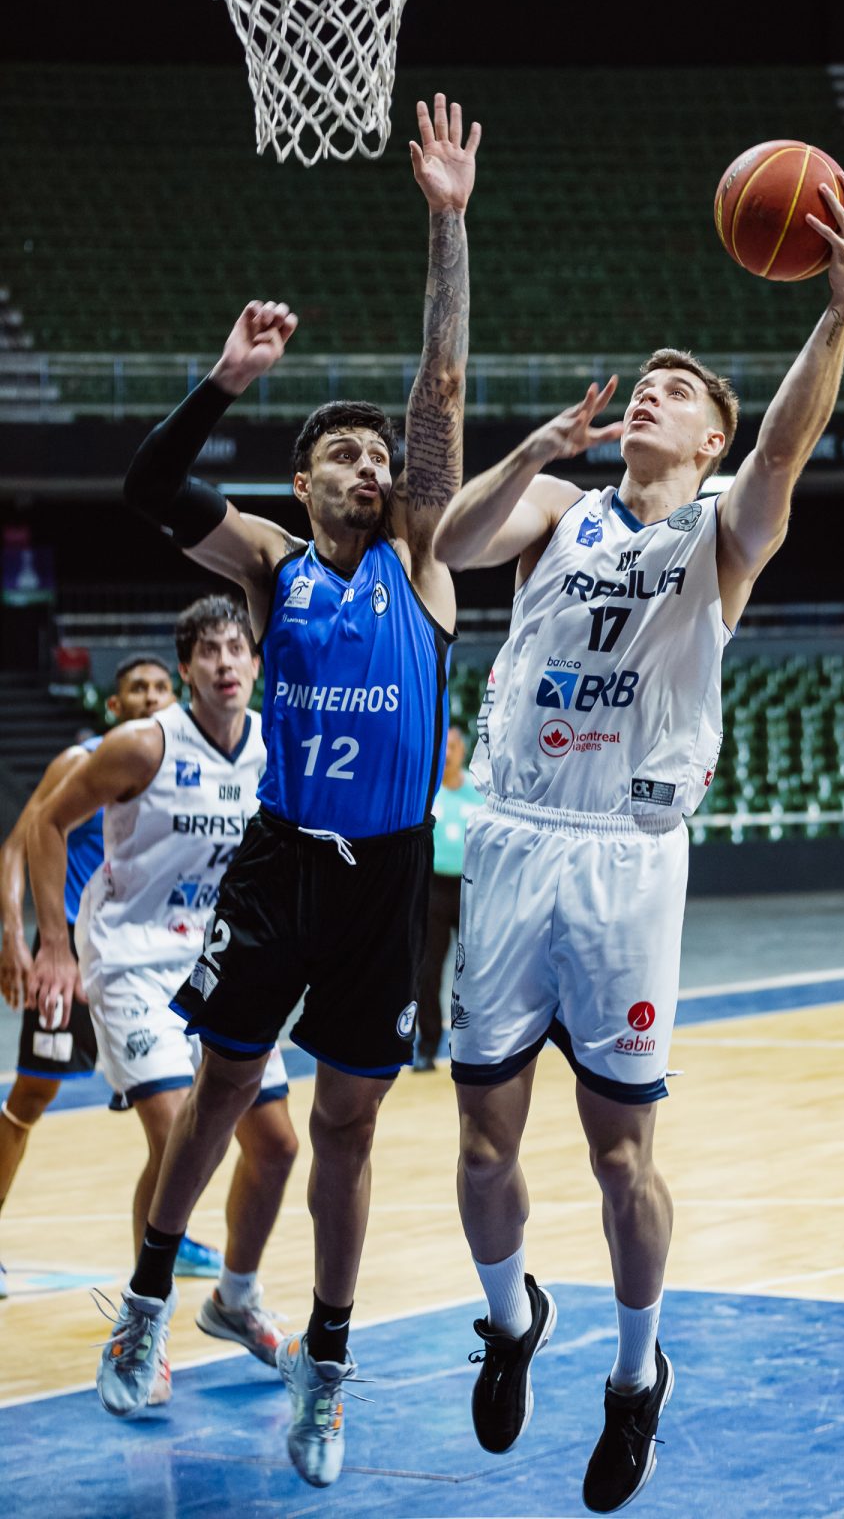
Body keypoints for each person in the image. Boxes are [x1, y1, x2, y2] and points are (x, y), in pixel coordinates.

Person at [33, 93, 479, 1484]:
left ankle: (327, 1367)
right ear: (302, 481)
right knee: (223, 1093)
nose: (370, 466)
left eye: (378, 457)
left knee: (345, 1124)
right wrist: (224, 375)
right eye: (343, 454)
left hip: (387, 875)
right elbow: (147, 485)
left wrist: (448, 224)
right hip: (284, 860)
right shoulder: (272, 565)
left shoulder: (423, 560)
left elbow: (441, 392)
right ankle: (149, 1300)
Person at [433, 176, 844, 1511]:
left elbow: (784, 452)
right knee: (483, 1140)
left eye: (679, 391)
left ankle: (635, 1379)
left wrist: (839, 313)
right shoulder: (560, 510)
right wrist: (532, 448)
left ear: (711, 436)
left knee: (621, 1154)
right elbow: (447, 540)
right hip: (513, 838)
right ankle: (511, 1321)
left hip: (626, 857)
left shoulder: (721, 528)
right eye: (648, 385)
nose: (652, 396)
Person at [27, 598, 298, 1406]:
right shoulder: (143, 744)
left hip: (222, 962)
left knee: (278, 1146)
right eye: (208, 650)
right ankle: (148, 1322)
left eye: (237, 648)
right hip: (133, 960)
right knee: (179, 1131)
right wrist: (52, 943)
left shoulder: (274, 745)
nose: (225, 662)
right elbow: (45, 823)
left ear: (256, 663)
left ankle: (236, 1298)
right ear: (186, 669)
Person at [0, 655, 225, 1294]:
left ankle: (168, 1236)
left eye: (160, 686)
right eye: (136, 688)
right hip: (71, 951)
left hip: (150, 954)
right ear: (115, 705)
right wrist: (17, 938)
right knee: (32, 1096)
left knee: (179, 1111)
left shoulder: (187, 769)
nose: (150, 696)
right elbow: (16, 846)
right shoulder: (82, 761)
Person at [413, 724, 485, 1071]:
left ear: (463, 751)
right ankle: (427, 1045)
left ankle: (479, 1043)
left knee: (478, 970)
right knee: (428, 971)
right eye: (442, 748)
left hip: (472, 890)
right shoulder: (425, 792)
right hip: (433, 890)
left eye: (453, 747)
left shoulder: (479, 792)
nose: (447, 755)